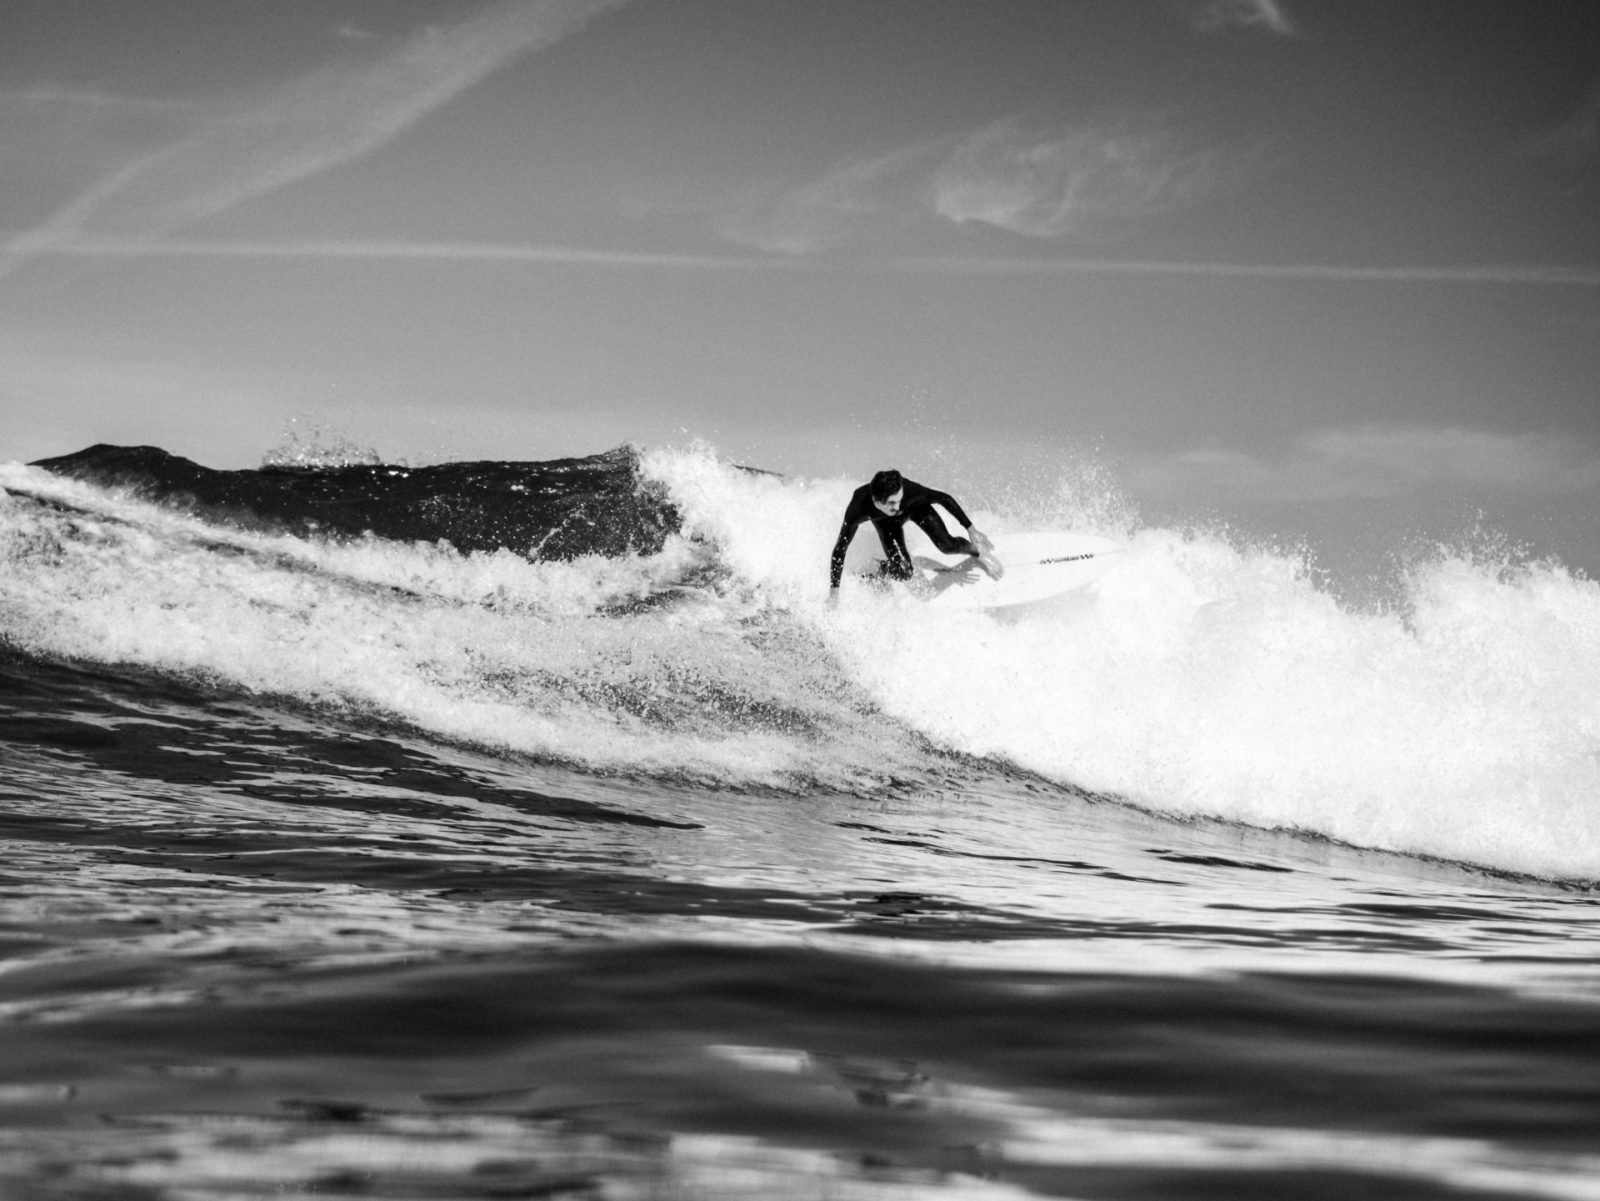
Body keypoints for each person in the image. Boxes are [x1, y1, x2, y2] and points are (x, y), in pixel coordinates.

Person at [827, 469, 1002, 599]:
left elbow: (944, 498)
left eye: (899, 499)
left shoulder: (909, 492)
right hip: (887, 524)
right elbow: (840, 548)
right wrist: (834, 592)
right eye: (892, 503)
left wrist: (970, 529)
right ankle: (883, 569)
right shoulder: (858, 508)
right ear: (876, 501)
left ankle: (976, 550)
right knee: (904, 572)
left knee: (947, 546)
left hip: (917, 509)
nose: (898, 507)